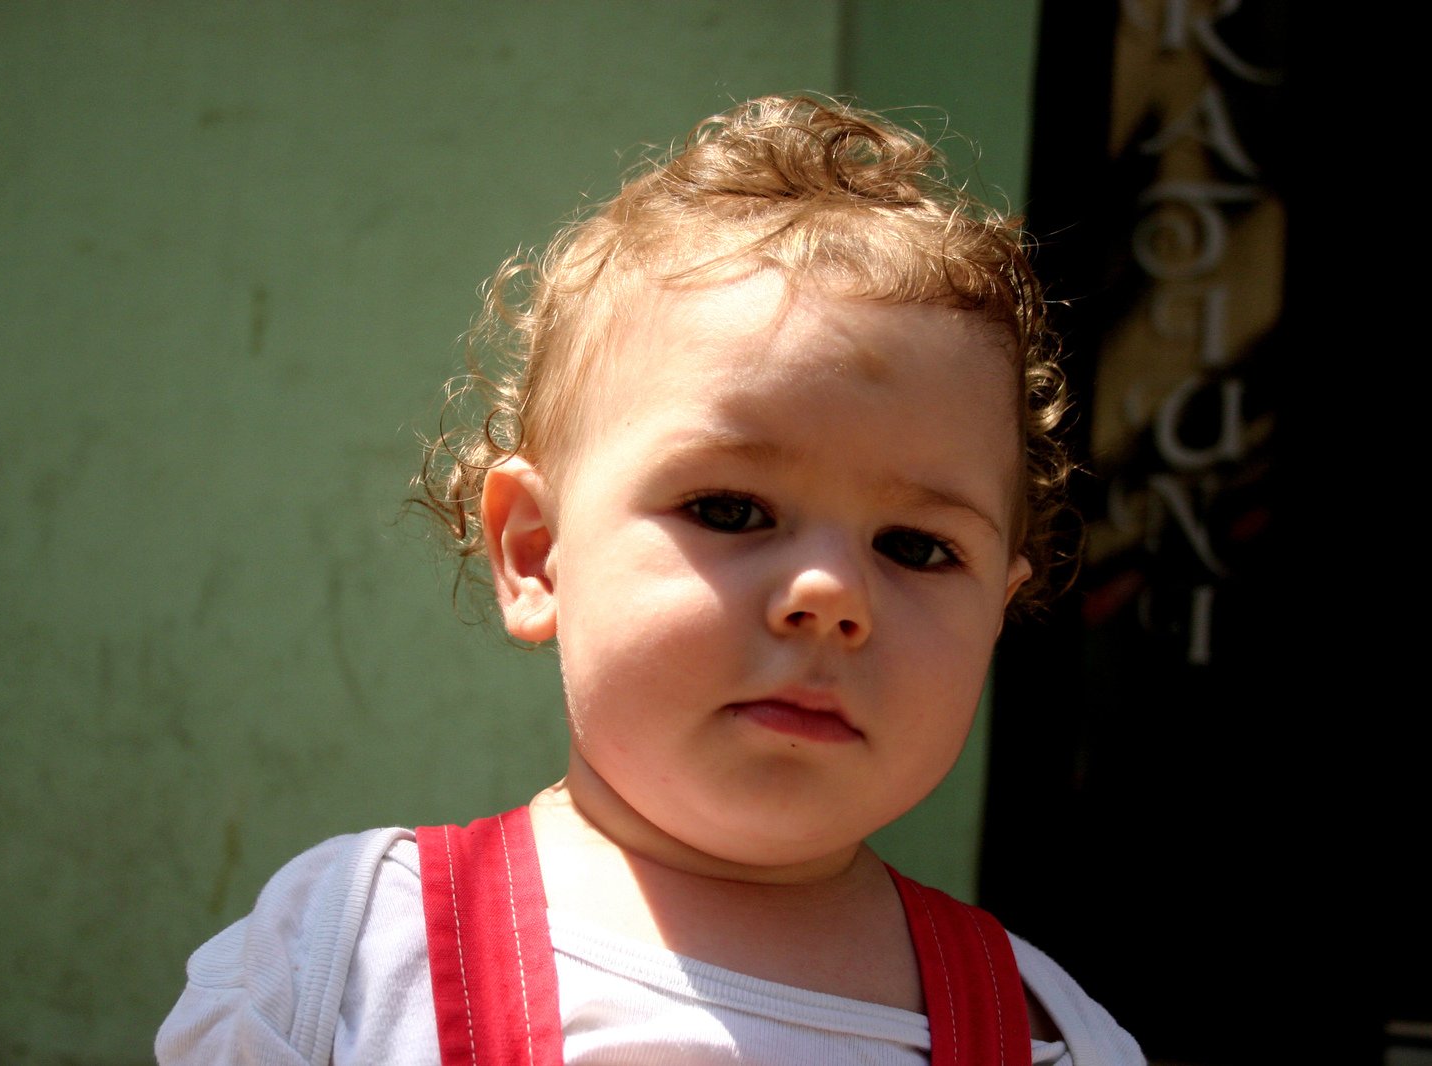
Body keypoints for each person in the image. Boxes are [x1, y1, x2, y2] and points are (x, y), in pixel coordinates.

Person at [157, 95, 1143, 1065]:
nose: (830, 590)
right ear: (537, 552)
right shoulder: (353, 958)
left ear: (998, 617)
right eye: (729, 510)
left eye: (918, 546)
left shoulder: (1046, 1031)